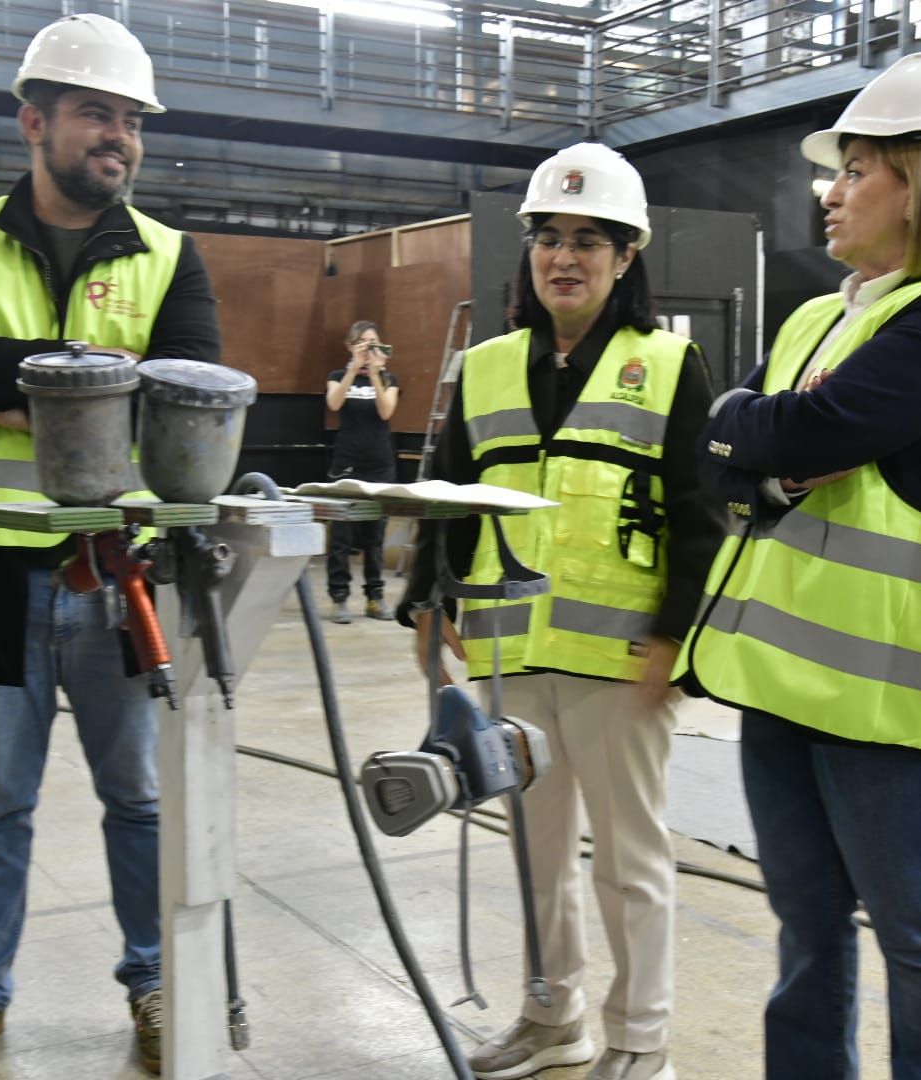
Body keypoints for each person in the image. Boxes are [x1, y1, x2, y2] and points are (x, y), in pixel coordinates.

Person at [674, 52, 921, 1080]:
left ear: (918, 185)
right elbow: (726, 449)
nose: (828, 191)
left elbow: (799, 427)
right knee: (805, 929)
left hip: (899, 713)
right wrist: (771, 453)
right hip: (788, 691)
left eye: (857, 168)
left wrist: (771, 444)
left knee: (917, 943)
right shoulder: (815, 319)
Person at [0, 13, 219, 1079]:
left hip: (122, 576)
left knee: (139, 798)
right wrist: (76, 366)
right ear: (35, 122)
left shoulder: (171, 255)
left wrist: (17, 377)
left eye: (129, 121)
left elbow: (189, 393)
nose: (114, 138)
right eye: (94, 115)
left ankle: (157, 983)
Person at [399, 142, 724, 1080]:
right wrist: (427, 598)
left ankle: (639, 1042)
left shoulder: (669, 365)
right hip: (509, 655)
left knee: (631, 865)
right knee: (536, 855)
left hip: (622, 661)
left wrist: (676, 638)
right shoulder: (489, 366)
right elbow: (446, 491)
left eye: (589, 240)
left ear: (627, 258)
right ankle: (553, 1020)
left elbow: (701, 516)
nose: (564, 257)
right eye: (549, 238)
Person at [324, 319, 400, 623]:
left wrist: (377, 375)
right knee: (341, 534)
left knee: (375, 535)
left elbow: (386, 411)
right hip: (347, 463)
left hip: (380, 464)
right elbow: (334, 403)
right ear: (350, 345)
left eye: (374, 343)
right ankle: (339, 597)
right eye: (363, 343)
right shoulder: (338, 376)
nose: (369, 349)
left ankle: (375, 597)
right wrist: (355, 369)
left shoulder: (390, 379)